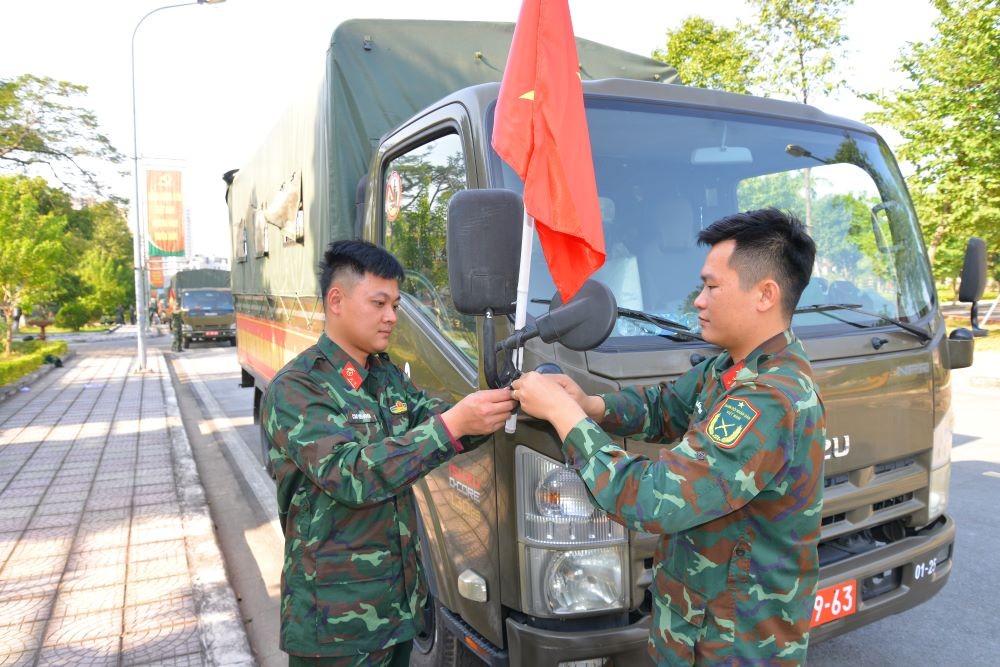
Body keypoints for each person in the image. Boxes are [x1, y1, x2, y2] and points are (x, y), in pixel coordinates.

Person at [512, 208, 826, 666]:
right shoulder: (732, 368)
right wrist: (590, 405)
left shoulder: (769, 399)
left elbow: (653, 499)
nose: (699, 301)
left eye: (712, 287)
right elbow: (666, 407)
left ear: (765, 294)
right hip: (697, 627)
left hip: (734, 646)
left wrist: (564, 416)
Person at [262, 239, 515, 666]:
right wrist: (453, 425)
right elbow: (350, 475)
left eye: (395, 305)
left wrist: (505, 404)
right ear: (336, 301)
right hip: (336, 626)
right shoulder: (298, 387)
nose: (392, 317)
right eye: (379, 303)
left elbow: (433, 420)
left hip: (398, 609)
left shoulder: (384, 375)